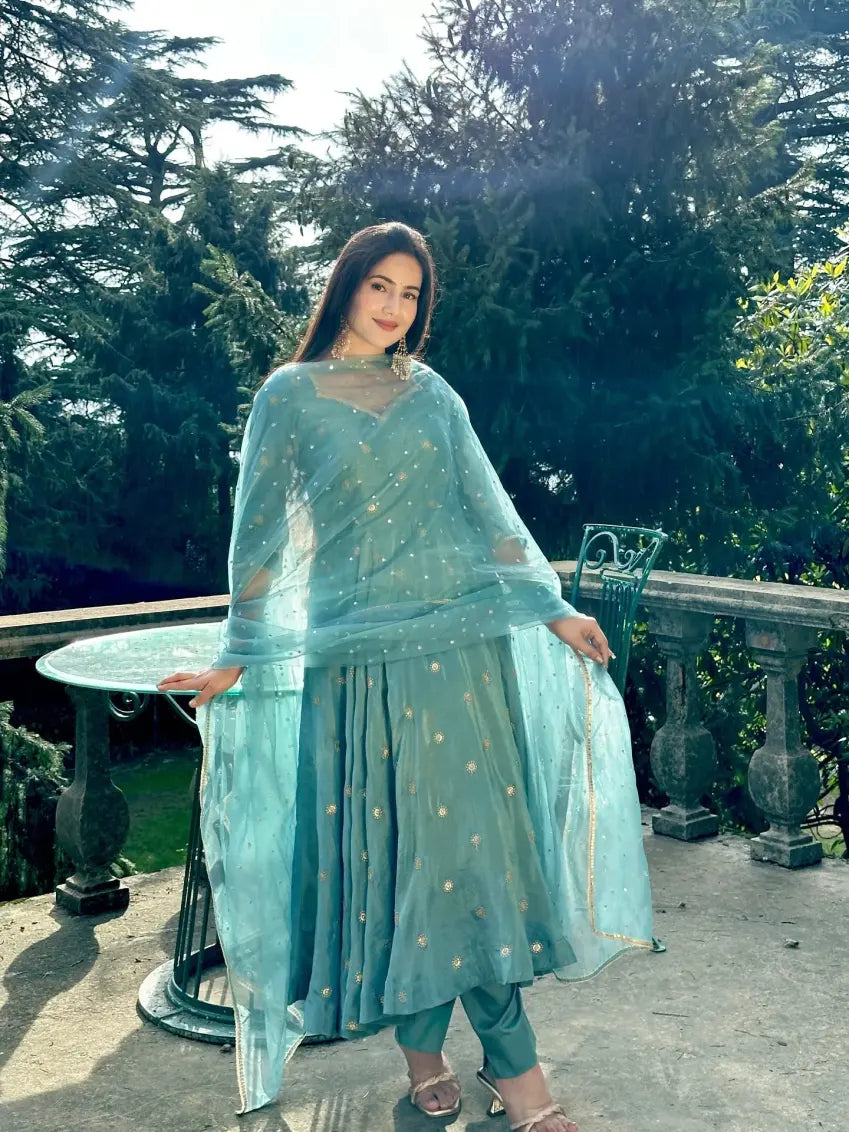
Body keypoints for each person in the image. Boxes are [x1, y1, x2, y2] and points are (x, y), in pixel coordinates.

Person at [158, 222, 655, 1131]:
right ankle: (432, 1057)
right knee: (396, 875)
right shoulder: (289, 398)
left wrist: (553, 606)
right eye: (379, 286)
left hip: (463, 663)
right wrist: (237, 655)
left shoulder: (431, 396)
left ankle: (518, 1074)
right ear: (345, 286)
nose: (394, 308)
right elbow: (259, 546)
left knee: (474, 867)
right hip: (357, 679)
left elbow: (489, 516)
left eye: (411, 294)